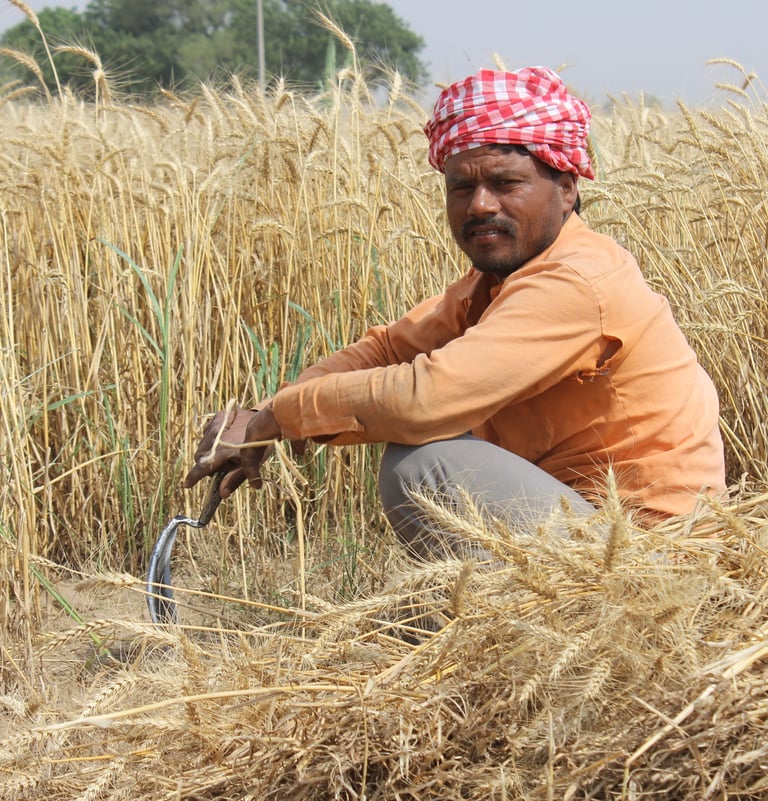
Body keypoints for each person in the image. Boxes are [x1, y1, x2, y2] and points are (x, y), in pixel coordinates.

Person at [183, 66, 727, 559]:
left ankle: (540, 626)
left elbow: (427, 400)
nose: (480, 204)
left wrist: (277, 417)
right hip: (594, 532)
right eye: (461, 186)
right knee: (423, 455)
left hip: (649, 555)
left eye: (505, 183)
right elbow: (386, 349)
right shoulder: (496, 282)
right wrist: (267, 412)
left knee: (422, 465)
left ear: (565, 188)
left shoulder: (577, 282)